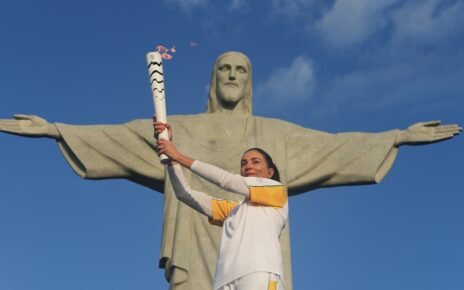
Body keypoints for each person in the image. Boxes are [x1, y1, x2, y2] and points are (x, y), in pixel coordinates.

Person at [0, 51, 460, 290]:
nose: (233, 76)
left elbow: (332, 148)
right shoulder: (179, 128)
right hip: (196, 246)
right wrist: (55, 129)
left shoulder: (273, 135)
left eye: (241, 69)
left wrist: (396, 136)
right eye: (224, 69)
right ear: (213, 79)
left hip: (257, 267)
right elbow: (120, 138)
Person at [155, 119, 287, 290]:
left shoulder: (277, 192)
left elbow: (227, 181)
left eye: (255, 161)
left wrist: (178, 155)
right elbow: (184, 194)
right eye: (243, 163)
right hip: (224, 282)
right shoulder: (235, 210)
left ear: (270, 172)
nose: (248, 166)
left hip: (259, 273)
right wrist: (170, 158)